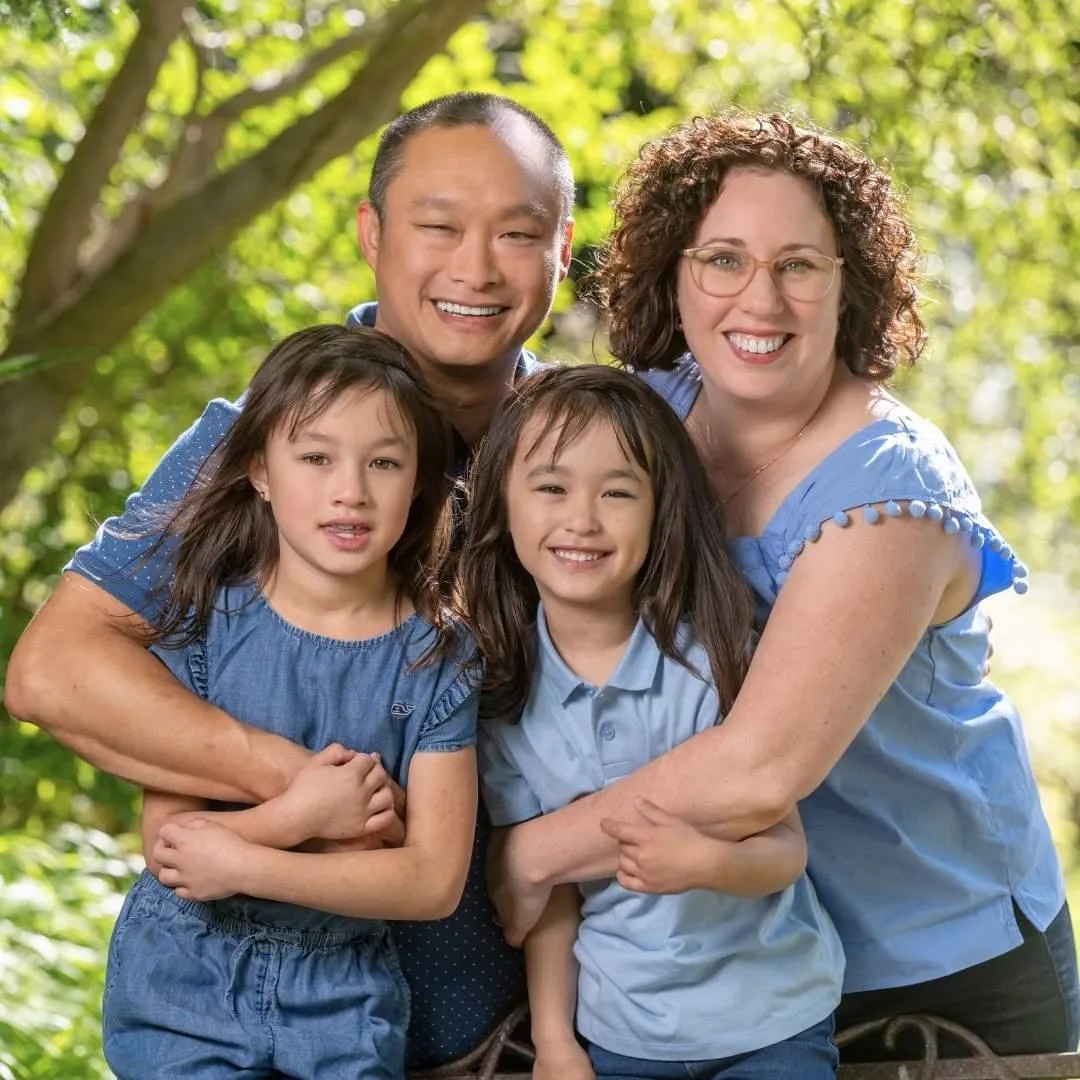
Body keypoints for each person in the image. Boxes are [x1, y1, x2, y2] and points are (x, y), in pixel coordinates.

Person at [488, 111, 1080, 1062]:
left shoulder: (893, 496)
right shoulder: (651, 416)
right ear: (674, 274)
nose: (758, 300)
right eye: (723, 258)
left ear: (849, 287)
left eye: (799, 265)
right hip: (728, 963)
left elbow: (761, 768)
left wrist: (529, 855)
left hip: (932, 967)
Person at [5, 92, 573, 1068]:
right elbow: (54, 671)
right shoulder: (257, 441)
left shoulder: (597, 458)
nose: (475, 268)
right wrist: (310, 789)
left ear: (564, 248)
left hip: (522, 1039)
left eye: (517, 234)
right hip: (233, 1026)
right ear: (372, 233)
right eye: (438, 225)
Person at [101, 324, 478, 1078]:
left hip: (345, 998)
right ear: (260, 470)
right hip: (184, 986)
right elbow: (174, 847)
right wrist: (305, 816)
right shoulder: (202, 623)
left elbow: (431, 881)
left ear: (419, 480)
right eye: (315, 457)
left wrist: (244, 859)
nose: (351, 490)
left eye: (385, 462)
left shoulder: (440, 656)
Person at [458, 364, 844, 1079]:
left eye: (618, 493)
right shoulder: (503, 701)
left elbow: (785, 848)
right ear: (502, 505)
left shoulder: (712, 662)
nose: (582, 519)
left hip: (772, 1017)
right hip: (625, 1032)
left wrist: (710, 863)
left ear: (659, 509)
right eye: (550, 488)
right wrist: (554, 1042)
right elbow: (548, 893)